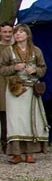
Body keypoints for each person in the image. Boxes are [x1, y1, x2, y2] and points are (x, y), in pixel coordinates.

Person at [0, 24, 49, 164]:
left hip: (31, 90)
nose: (18, 34)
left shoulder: (36, 51)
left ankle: (30, 153)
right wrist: (14, 67)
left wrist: (35, 70)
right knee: (15, 122)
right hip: (15, 90)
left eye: (21, 32)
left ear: (27, 34)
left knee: (30, 121)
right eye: (16, 32)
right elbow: (2, 69)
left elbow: (43, 68)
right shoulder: (8, 51)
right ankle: (16, 154)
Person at [0, 21, 14, 153]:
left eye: (10, 32)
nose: (7, 34)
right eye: (5, 32)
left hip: (11, 84)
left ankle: (6, 144)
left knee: (6, 116)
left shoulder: (16, 48)